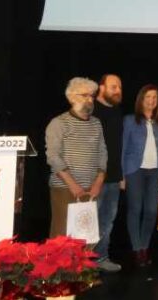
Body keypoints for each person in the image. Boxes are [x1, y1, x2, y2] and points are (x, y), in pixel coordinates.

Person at [46, 78, 107, 240]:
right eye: (84, 95)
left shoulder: (96, 123)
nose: (90, 99)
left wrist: (98, 182)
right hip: (65, 189)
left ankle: (83, 267)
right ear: (72, 97)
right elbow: (53, 157)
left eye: (92, 95)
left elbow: (103, 153)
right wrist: (73, 185)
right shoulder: (58, 123)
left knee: (87, 237)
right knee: (62, 237)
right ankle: (61, 267)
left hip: (91, 189)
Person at [122, 84, 158, 266]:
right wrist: (122, 175)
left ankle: (145, 246)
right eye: (148, 97)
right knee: (135, 209)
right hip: (134, 170)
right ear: (141, 99)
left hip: (155, 172)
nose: (151, 101)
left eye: (154, 97)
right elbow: (123, 149)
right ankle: (137, 249)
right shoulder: (129, 120)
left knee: (151, 211)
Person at [90, 74, 123, 272]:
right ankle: (83, 262)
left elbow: (118, 146)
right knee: (88, 221)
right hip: (93, 178)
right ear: (101, 88)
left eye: (119, 86)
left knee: (107, 221)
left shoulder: (117, 111)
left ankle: (101, 257)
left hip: (113, 178)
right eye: (113, 86)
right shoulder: (91, 110)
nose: (118, 90)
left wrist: (121, 175)